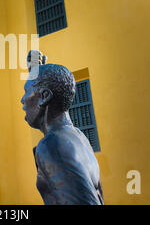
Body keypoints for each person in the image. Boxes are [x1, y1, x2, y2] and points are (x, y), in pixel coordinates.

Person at [21, 54, 103, 205]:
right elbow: (54, 97)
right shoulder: (77, 136)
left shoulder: (53, 144)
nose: (22, 99)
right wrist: (36, 71)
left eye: (26, 91)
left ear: (44, 96)